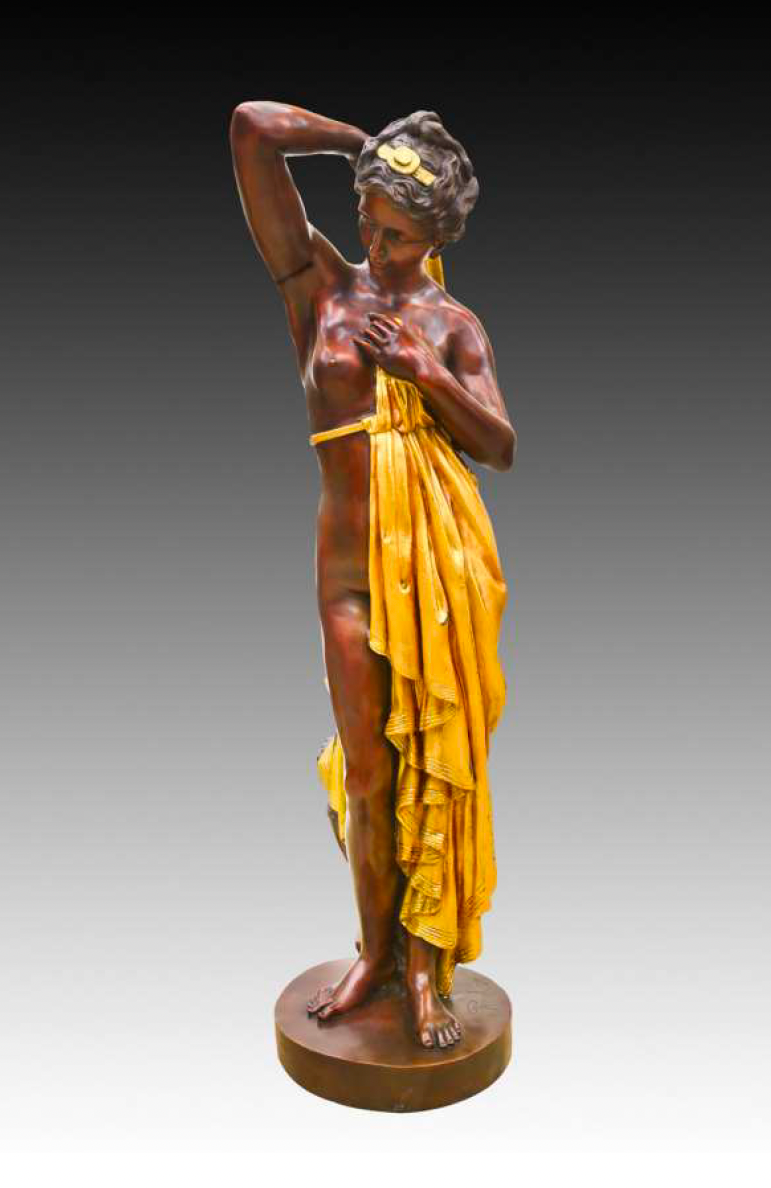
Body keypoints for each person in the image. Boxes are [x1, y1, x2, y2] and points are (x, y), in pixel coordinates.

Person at [229, 104, 516, 1049]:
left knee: (432, 760)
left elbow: (500, 445)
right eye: (368, 220)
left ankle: (426, 976)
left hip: (433, 571)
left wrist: (426, 372)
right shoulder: (319, 289)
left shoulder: (452, 325)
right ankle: (373, 954)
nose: (376, 244)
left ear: (437, 237)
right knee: (365, 773)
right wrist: (366, 146)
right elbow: (251, 129)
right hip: (346, 572)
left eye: (397, 234)